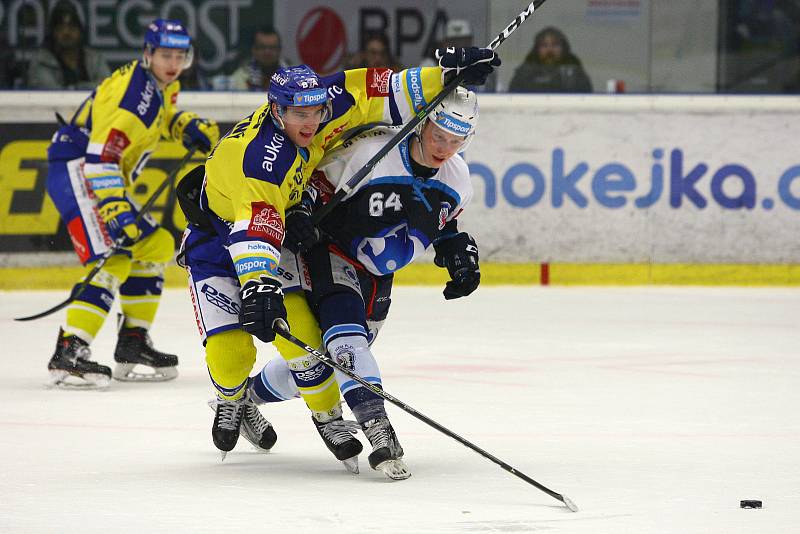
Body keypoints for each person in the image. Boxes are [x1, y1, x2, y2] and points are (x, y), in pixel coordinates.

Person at [176, 48, 499, 462]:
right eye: (298, 116)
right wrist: (262, 278)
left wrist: (447, 75)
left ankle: (288, 405)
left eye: (316, 113)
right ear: (276, 112)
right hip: (267, 244)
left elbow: (379, 88)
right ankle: (250, 400)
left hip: (317, 248)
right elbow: (258, 225)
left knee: (320, 351)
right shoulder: (270, 160)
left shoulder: (324, 103)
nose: (310, 123)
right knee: (271, 350)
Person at [247, 87, 482, 480]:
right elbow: (309, 182)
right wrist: (301, 213)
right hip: (330, 250)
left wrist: (458, 251)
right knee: (346, 343)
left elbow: (442, 222)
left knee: (336, 361)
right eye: (439, 135)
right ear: (423, 123)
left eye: (456, 140)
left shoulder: (458, 178)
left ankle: (246, 397)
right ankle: (378, 427)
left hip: (376, 273)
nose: (444, 147)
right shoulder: (372, 151)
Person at [45, 19, 219, 390]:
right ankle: (69, 350)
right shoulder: (132, 100)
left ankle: (132, 343)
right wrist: (114, 210)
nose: (173, 63)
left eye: (180, 56)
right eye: (165, 55)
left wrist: (183, 125)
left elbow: (161, 117)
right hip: (81, 169)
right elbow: (100, 158)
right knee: (115, 253)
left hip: (96, 170)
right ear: (148, 54)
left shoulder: (161, 84)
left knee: (154, 246)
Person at [26, 0, 110, 89]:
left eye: (72, 26)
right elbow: (50, 94)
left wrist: (76, 88)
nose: (66, 32)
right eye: (60, 27)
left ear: (80, 30)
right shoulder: (42, 61)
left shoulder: (95, 59)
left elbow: (108, 87)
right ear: (53, 32)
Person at [508, 27, 592, 93]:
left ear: (563, 48)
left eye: (555, 45)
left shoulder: (575, 73)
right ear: (537, 49)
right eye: (544, 45)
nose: (550, 50)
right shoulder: (525, 73)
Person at [229, 27, 288, 91]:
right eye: (262, 47)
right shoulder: (240, 77)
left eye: (272, 48)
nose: (267, 52)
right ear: (253, 50)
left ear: (279, 50)